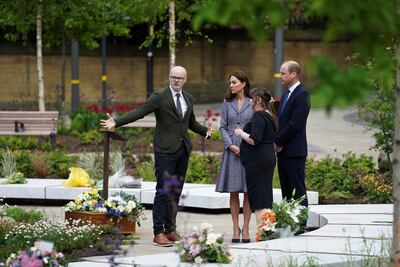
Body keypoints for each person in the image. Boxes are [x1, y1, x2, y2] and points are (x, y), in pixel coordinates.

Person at [101, 66, 213, 247]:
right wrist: (117, 121)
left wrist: (204, 131)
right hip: (165, 151)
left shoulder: (188, 98)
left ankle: (170, 229)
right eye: (173, 77)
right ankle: (158, 232)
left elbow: (190, 122)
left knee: (175, 191)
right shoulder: (160, 97)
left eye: (179, 78)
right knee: (163, 191)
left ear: (185, 80)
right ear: (169, 78)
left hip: (183, 150)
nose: (176, 80)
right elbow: (140, 111)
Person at [216, 71, 253, 243]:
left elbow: (256, 125)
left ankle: (246, 228)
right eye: (230, 82)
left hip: (248, 150)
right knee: (233, 191)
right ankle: (235, 228)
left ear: (243, 84)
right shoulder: (227, 102)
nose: (231, 85)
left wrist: (247, 143)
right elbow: (222, 126)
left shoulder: (253, 102)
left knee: (247, 192)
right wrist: (229, 144)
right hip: (231, 150)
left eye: (234, 82)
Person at [234, 87, 278, 230]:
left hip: (258, 162)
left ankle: (264, 232)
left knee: (259, 199)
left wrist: (240, 133)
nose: (250, 102)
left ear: (258, 100)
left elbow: (254, 139)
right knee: (265, 197)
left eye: (252, 99)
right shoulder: (269, 115)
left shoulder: (259, 116)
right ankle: (269, 229)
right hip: (266, 159)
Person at [274, 60, 310, 207]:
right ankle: (288, 225)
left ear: (293, 74)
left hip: (295, 151)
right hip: (283, 152)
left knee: (299, 192)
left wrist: (277, 141)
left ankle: (301, 225)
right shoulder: (285, 95)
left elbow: (296, 124)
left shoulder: (302, 94)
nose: (280, 76)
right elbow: (281, 121)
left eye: (283, 73)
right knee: (286, 192)